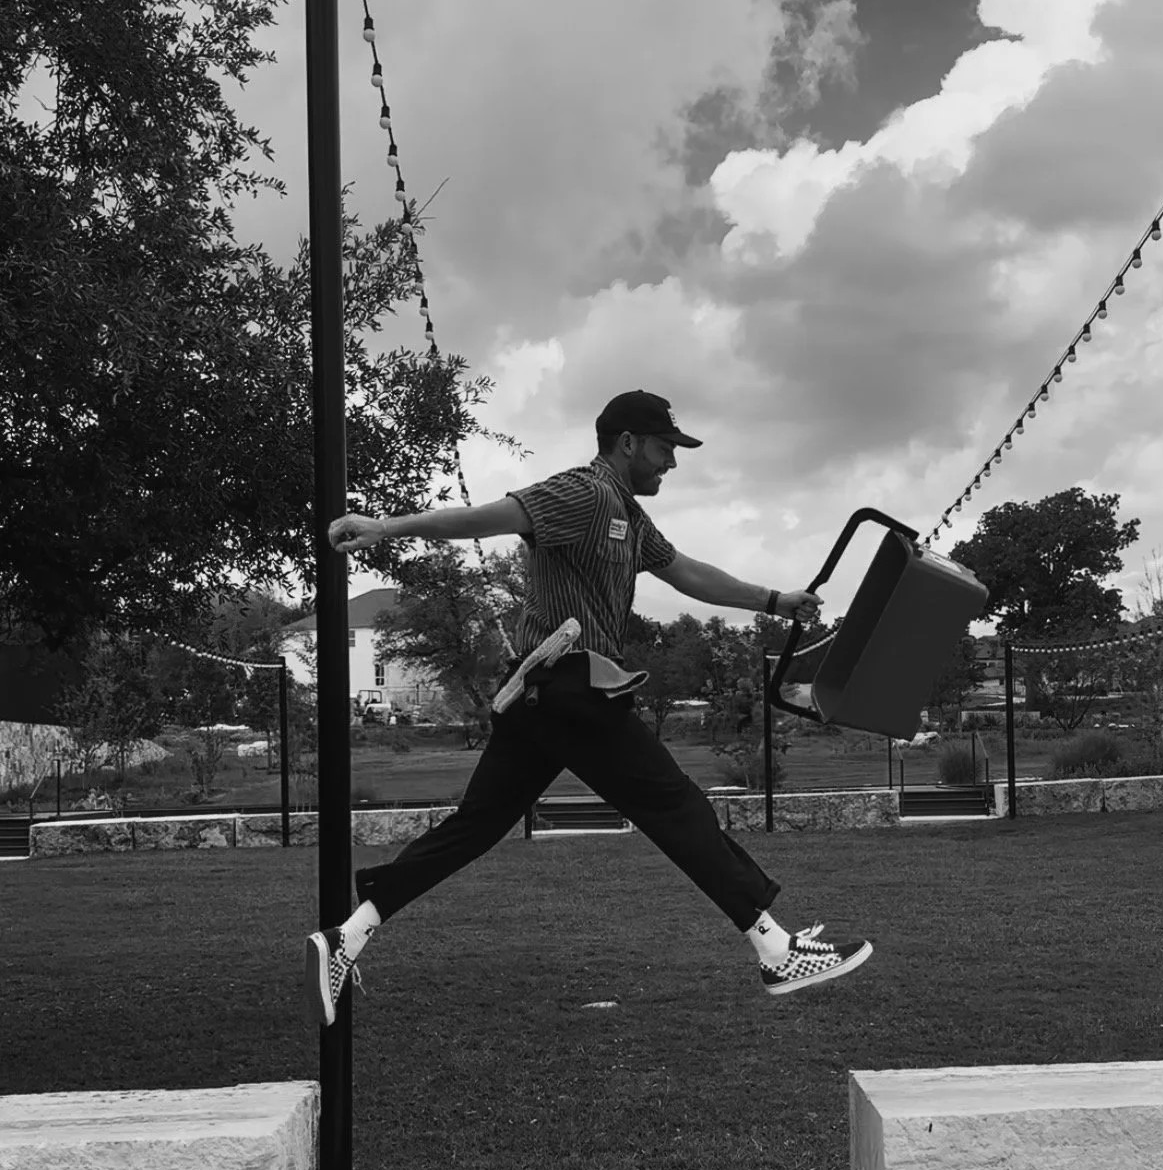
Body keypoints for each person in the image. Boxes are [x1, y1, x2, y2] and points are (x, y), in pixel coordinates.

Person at [304, 390, 872, 1026]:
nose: (672, 464)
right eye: (664, 450)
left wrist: (773, 599)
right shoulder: (585, 493)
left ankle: (347, 937)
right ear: (627, 442)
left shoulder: (628, 514)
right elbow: (490, 516)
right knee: (676, 806)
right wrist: (386, 528)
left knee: (476, 827)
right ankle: (774, 948)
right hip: (571, 684)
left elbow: (686, 573)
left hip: (544, 701)